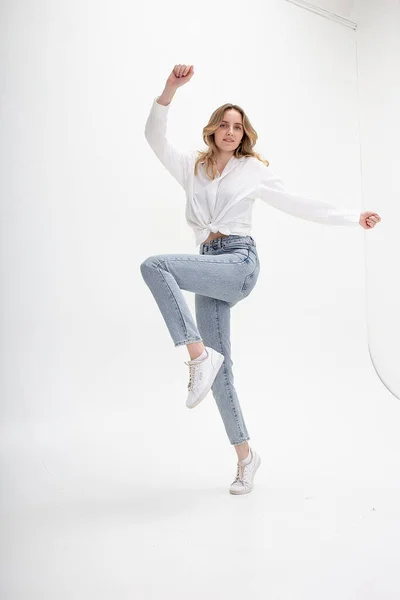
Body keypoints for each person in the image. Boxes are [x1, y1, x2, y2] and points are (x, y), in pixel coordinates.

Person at [141, 64, 382, 495]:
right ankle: (246, 458)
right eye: (224, 125)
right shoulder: (190, 168)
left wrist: (352, 218)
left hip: (238, 262)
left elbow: (298, 202)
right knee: (223, 374)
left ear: (244, 134)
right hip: (208, 264)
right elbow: (154, 138)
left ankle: (197, 357)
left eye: (238, 127)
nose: (231, 132)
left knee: (155, 266)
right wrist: (169, 90)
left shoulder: (252, 170)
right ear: (212, 130)